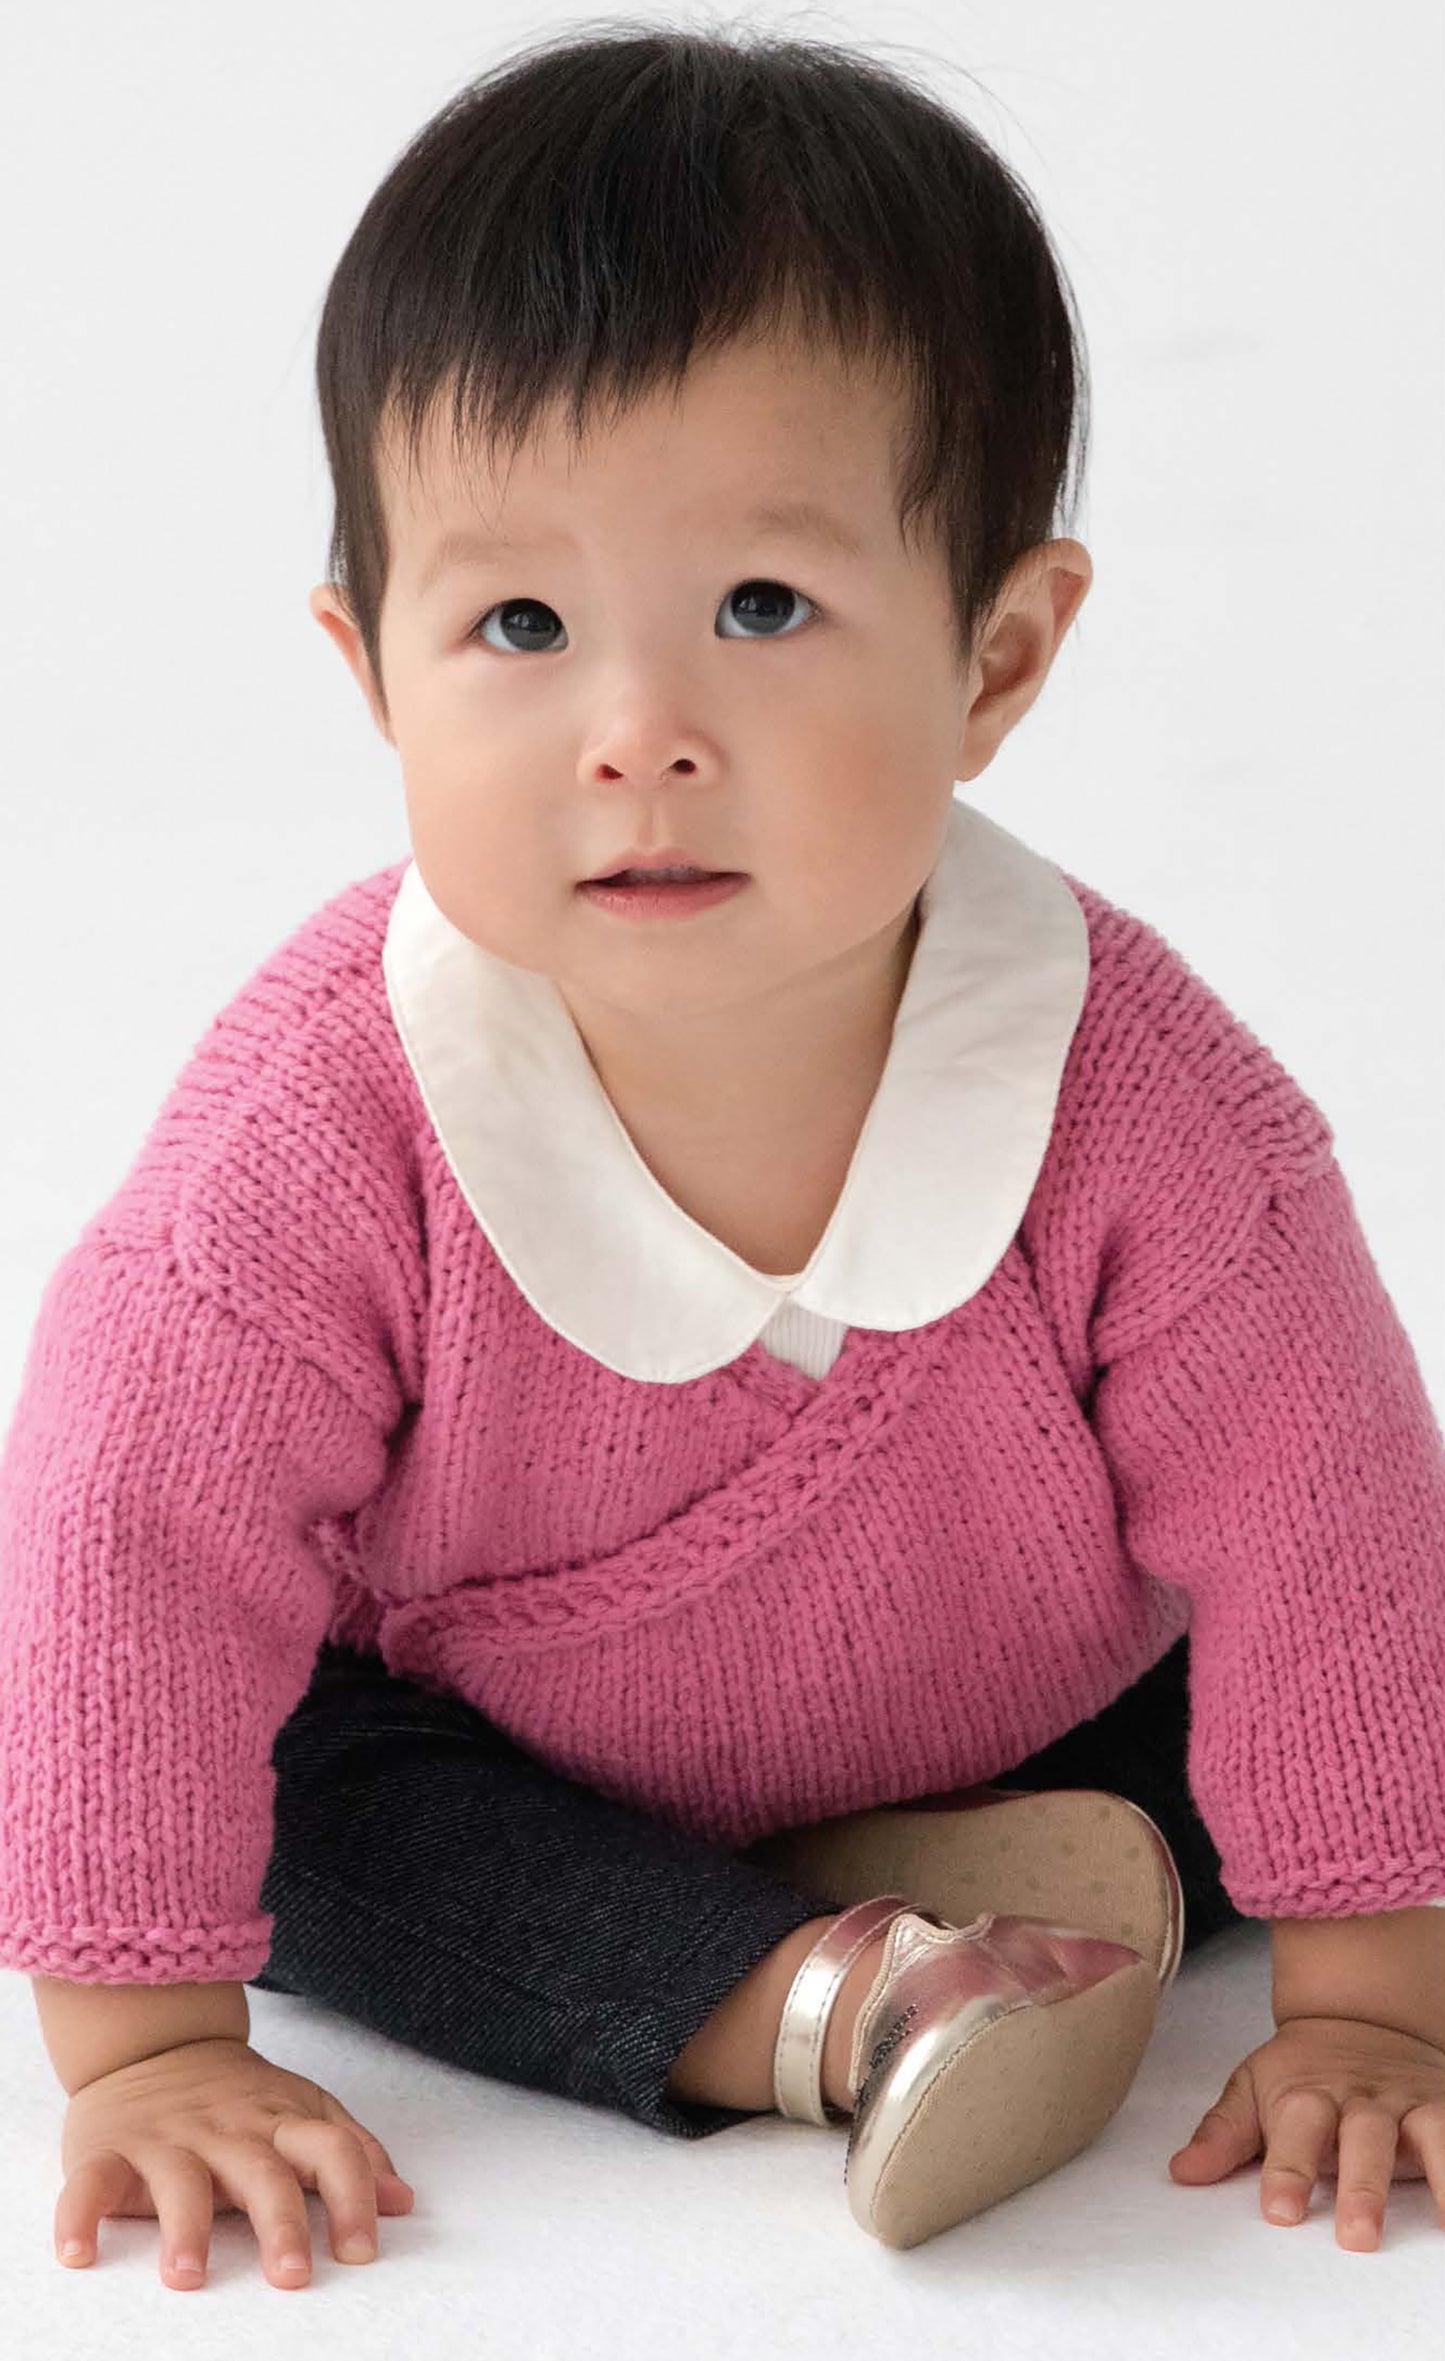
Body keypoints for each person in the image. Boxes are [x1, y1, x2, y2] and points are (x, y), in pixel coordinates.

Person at [4, 22, 1444, 2292]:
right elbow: (131, 1524)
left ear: (997, 651)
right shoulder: (322, 1129)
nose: (638, 733)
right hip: (502, 1743)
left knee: (1329, 1666)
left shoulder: (1138, 1093)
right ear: (370, 666)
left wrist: (1373, 1994)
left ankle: (1004, 1862)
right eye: (518, 624)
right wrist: (146, 2041)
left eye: (764, 610)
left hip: (1052, 1691)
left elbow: (1318, 1492)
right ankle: (835, 1996)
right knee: (292, 1785)